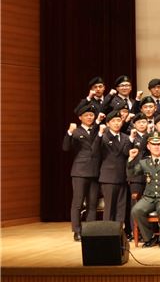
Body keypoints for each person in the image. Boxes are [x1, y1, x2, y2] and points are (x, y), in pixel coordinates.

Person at [128, 132, 160, 247]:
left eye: (159, 144)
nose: (156, 147)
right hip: (149, 197)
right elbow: (131, 174)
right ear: (148, 146)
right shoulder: (144, 162)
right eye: (153, 144)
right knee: (136, 210)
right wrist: (131, 159)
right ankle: (149, 238)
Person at [64, 102, 101, 241]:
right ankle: (77, 230)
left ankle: (90, 230)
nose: (89, 117)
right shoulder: (76, 131)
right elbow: (66, 147)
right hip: (80, 171)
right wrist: (69, 132)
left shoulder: (97, 130)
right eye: (86, 115)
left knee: (93, 203)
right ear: (80, 117)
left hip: (95, 171)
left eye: (91, 115)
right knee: (78, 203)